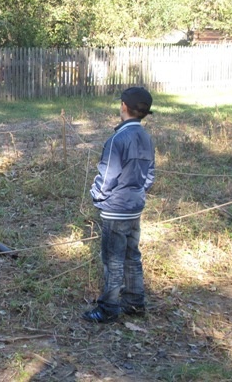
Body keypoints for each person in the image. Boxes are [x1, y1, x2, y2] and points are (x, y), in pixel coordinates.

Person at [82, 86, 155, 323]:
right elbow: (149, 175)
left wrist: (98, 198)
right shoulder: (146, 137)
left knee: (113, 260)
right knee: (132, 256)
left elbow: (107, 177)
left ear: (123, 106)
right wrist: (138, 194)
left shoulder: (117, 139)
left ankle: (108, 308)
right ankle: (135, 303)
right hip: (135, 207)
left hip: (116, 210)